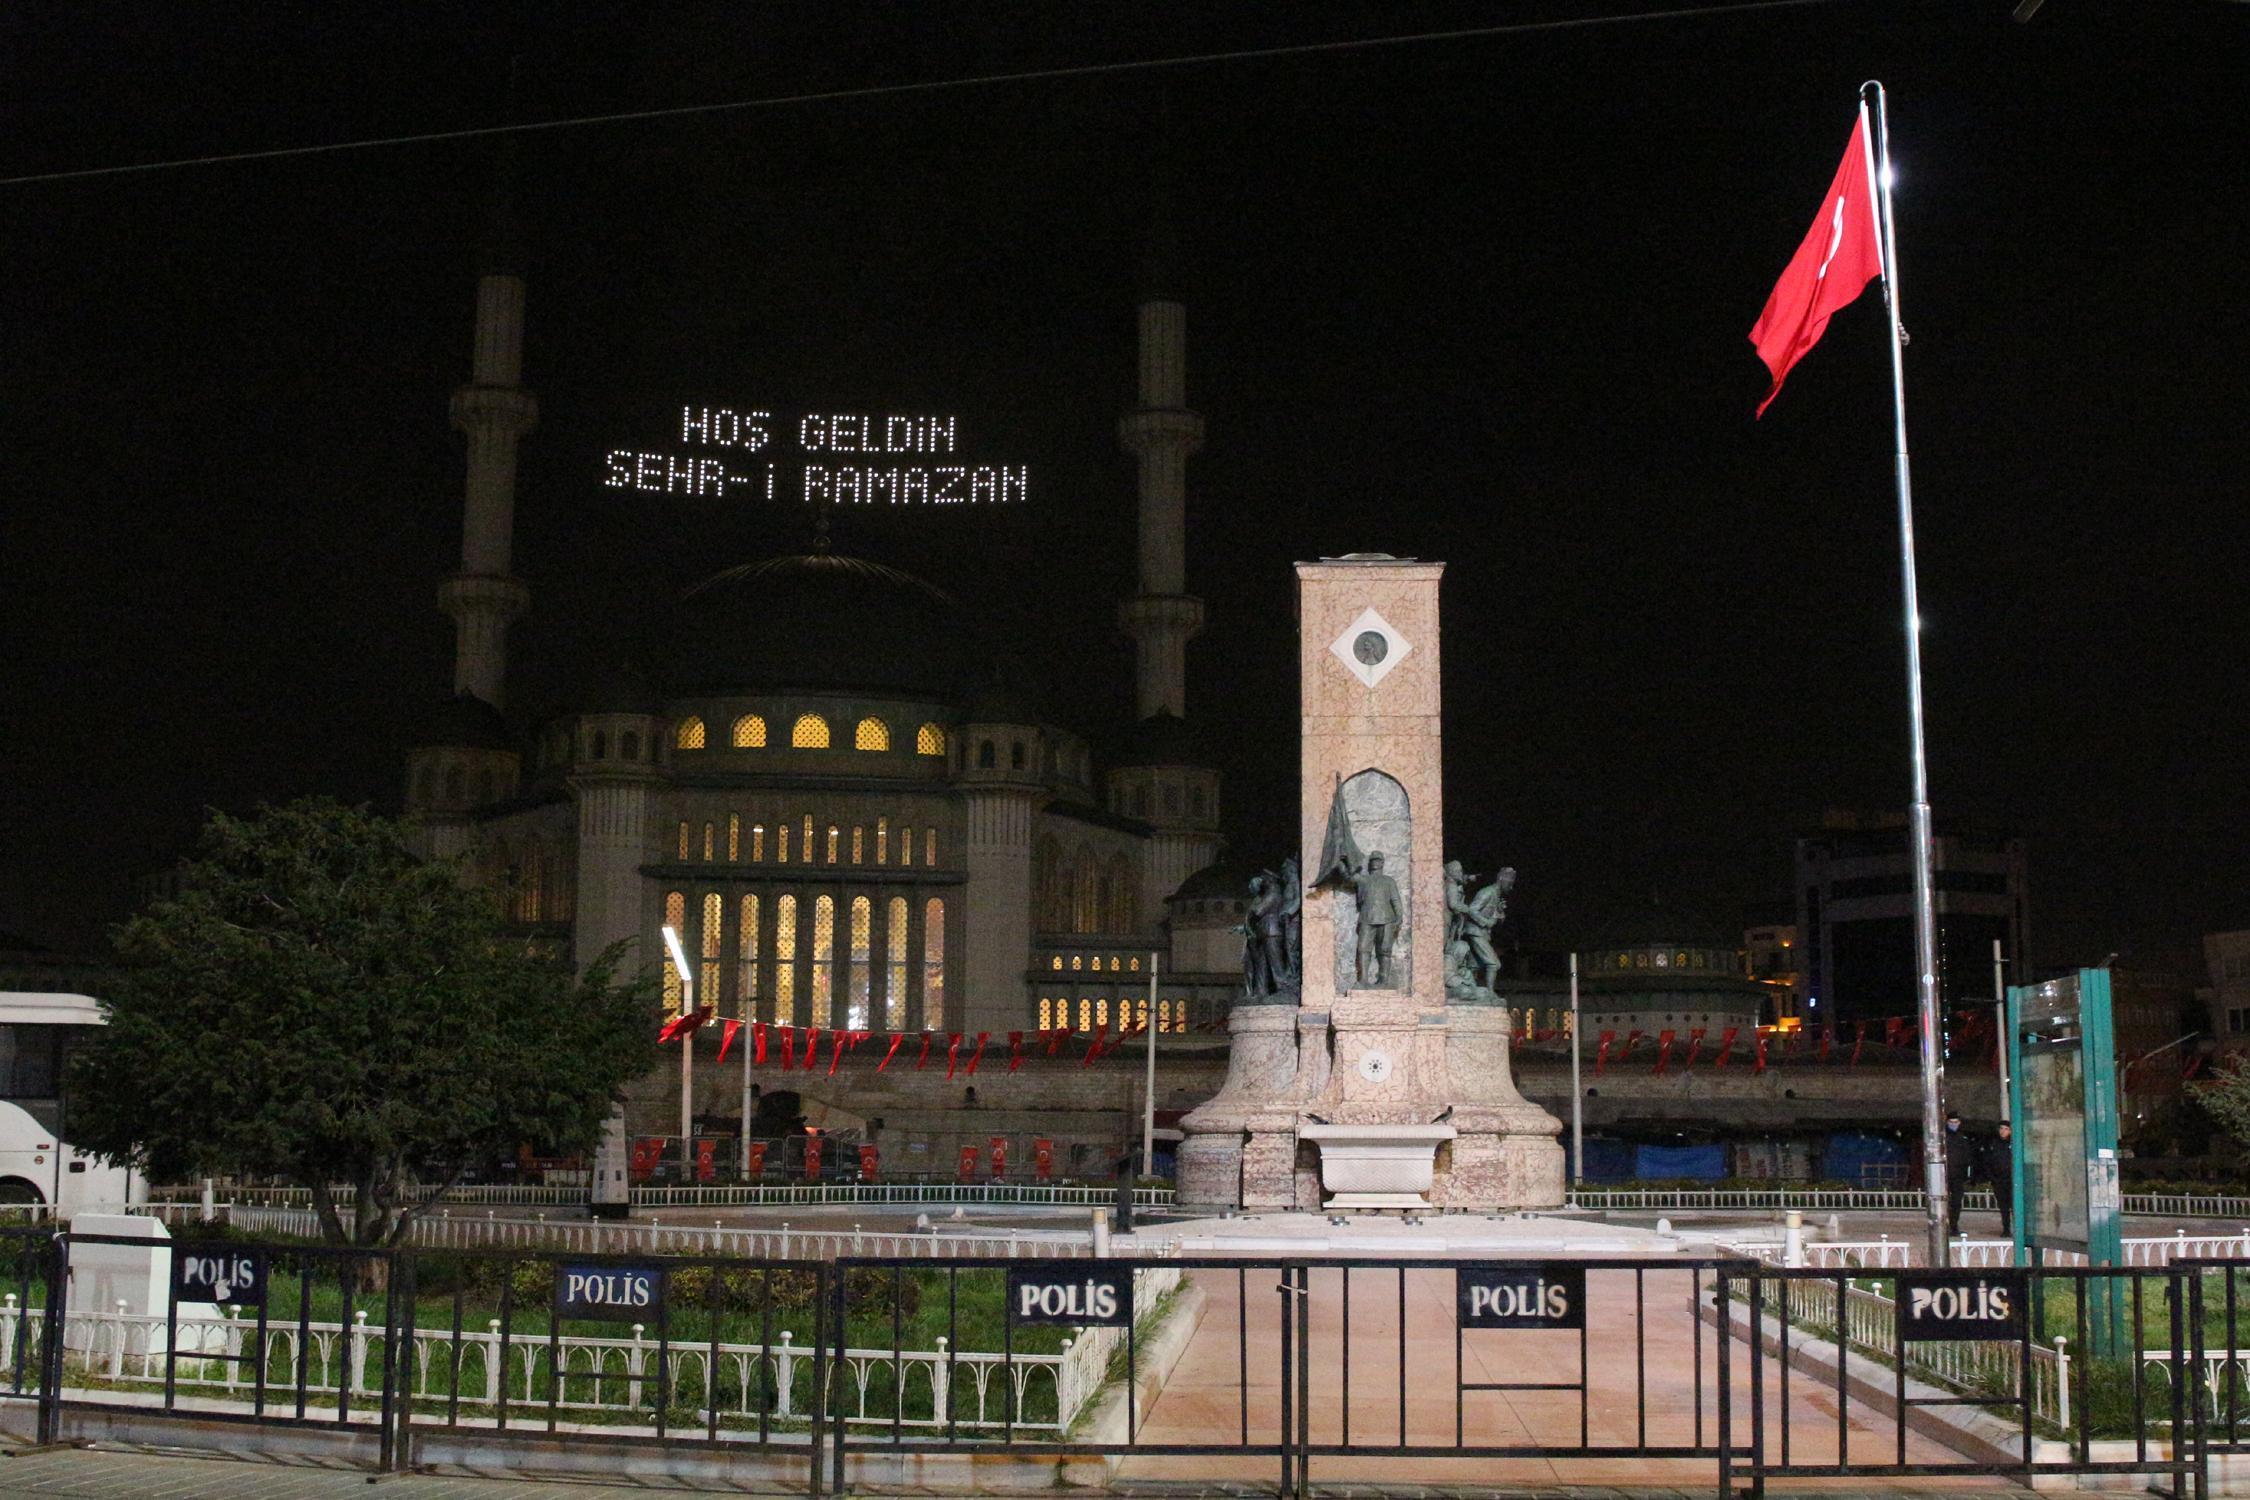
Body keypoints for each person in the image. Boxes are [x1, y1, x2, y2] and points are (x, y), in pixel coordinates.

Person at [1941, 1108, 1972, 1238]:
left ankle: (1954, 1226)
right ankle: (1944, 1226)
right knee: (1944, 1202)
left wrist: (1967, 1174)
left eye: (1956, 1122)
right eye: (1951, 1121)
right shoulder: (1943, 1137)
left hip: (1958, 1176)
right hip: (1945, 1176)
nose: (1953, 1124)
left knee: (1957, 1202)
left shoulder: (1962, 1138)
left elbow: (1967, 1157)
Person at [1984, 1120, 2015, 1236]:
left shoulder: (2014, 1143)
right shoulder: (1993, 1144)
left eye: (2006, 1129)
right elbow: (1987, 1162)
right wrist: (1992, 1178)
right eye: (2001, 1129)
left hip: (2012, 1181)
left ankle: (2017, 1229)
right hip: (1999, 1180)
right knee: (2003, 1206)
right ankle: (2006, 1229)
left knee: (2014, 1206)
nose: (2003, 1131)